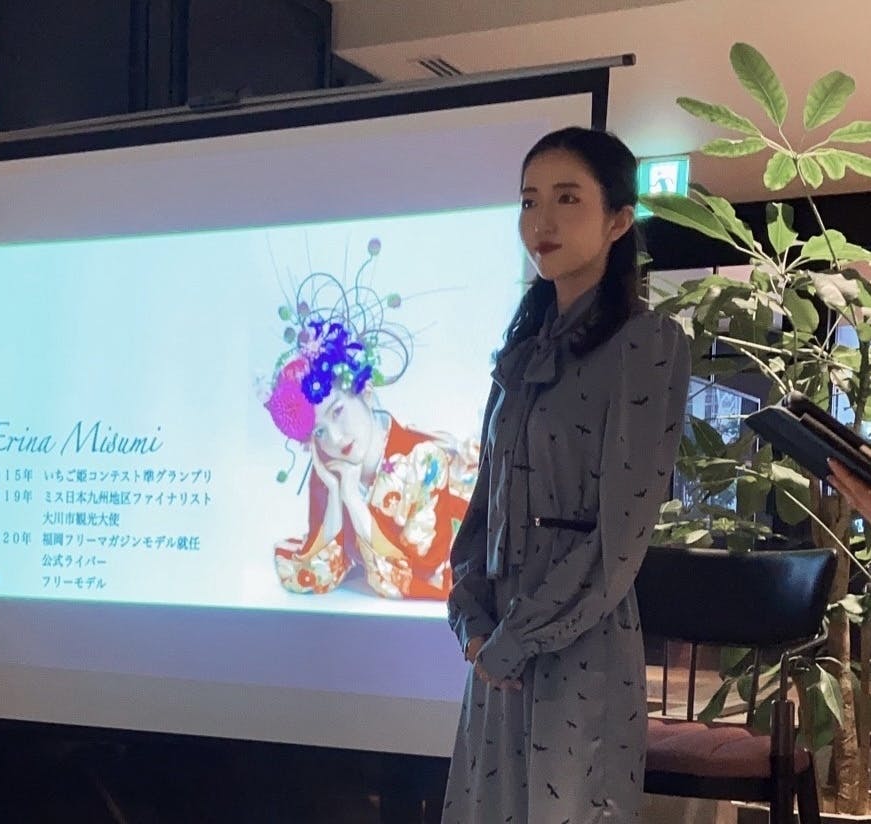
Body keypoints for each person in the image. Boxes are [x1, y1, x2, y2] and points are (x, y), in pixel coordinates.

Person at [443, 127, 691, 822]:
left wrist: (516, 640)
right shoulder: (521, 350)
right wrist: (471, 620)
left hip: (578, 644)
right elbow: (483, 506)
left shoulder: (647, 343)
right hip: (497, 643)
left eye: (566, 199)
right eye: (529, 201)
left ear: (618, 221)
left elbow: (620, 536)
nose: (541, 222)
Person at [261, 250, 477, 600]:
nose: (335, 438)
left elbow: (417, 574)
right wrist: (336, 497)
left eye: (337, 412)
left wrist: (355, 503)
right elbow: (316, 577)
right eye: (319, 432)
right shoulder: (331, 468)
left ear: (365, 391)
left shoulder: (424, 459)